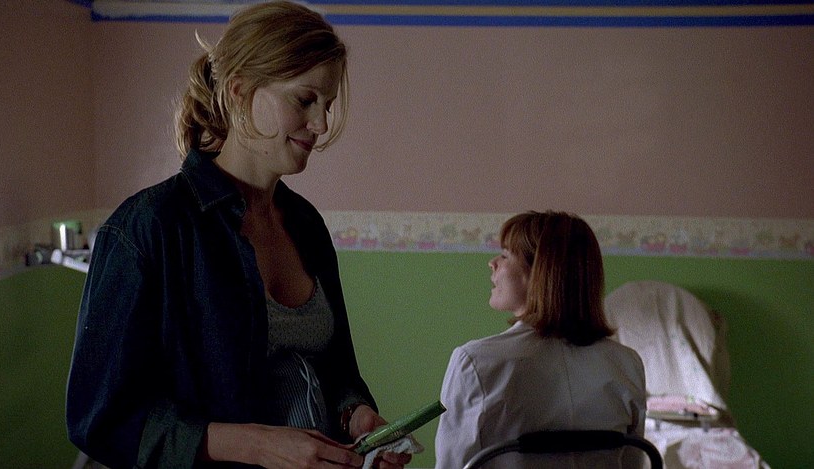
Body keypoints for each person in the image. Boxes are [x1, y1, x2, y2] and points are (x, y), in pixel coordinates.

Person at [66, 2, 410, 468]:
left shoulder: (306, 225)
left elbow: (336, 368)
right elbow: (99, 419)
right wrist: (257, 444)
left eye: (327, 105)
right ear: (240, 91)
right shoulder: (148, 228)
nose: (321, 125)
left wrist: (356, 416)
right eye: (304, 100)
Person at [434, 211, 646, 468]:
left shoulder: (475, 363)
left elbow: (452, 465)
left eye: (505, 255)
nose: (492, 263)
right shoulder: (626, 363)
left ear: (540, 272)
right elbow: (633, 463)